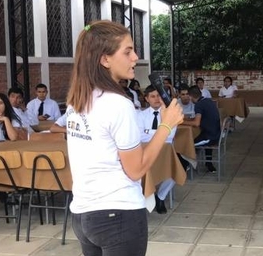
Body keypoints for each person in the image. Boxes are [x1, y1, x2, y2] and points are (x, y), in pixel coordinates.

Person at [65, 21, 183, 256]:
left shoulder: (77, 100)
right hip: (117, 215)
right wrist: (167, 125)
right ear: (104, 59)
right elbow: (136, 169)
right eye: (127, 51)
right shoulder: (118, 103)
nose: (135, 57)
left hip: (83, 213)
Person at [137, 86, 178, 214]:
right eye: (152, 96)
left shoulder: (170, 115)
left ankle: (160, 197)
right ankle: (143, 199)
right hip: (144, 153)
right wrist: (160, 132)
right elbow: (139, 136)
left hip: (165, 153)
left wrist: (149, 132)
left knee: (175, 171)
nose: (156, 99)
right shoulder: (140, 115)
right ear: (146, 99)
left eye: (159, 96)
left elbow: (169, 136)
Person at [183, 85, 221, 173]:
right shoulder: (208, 101)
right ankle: (208, 164)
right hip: (215, 133)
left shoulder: (199, 105)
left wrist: (180, 122)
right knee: (196, 137)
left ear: (190, 96)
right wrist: (189, 120)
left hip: (210, 137)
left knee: (185, 144)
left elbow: (196, 123)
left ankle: (185, 167)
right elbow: (202, 118)